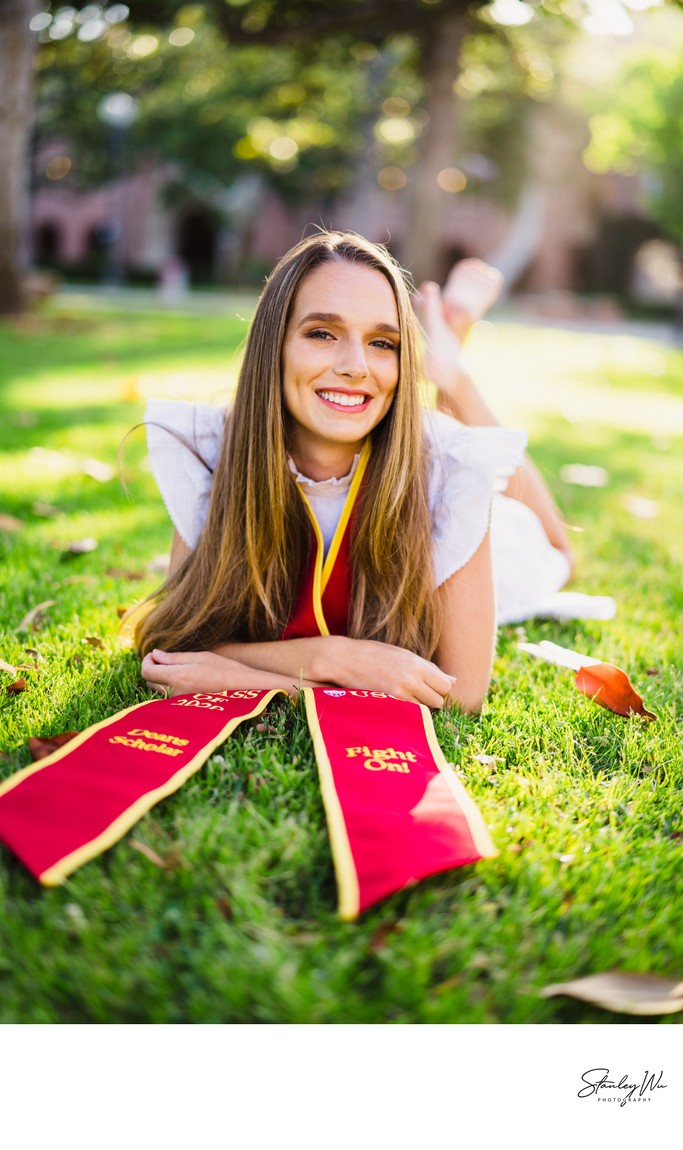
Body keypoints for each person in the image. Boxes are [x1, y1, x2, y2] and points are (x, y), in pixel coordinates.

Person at [136, 231, 608, 712]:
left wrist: (250, 675)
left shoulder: (450, 476)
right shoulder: (214, 449)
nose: (356, 366)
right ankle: (442, 360)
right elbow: (179, 647)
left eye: (383, 343)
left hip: (465, 526)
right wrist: (333, 659)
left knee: (558, 553)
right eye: (322, 333)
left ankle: (450, 373)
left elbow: (463, 695)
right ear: (272, 345)